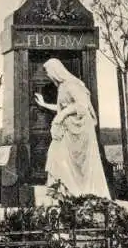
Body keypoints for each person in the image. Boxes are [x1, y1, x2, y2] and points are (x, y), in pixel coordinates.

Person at [34, 58, 111, 199]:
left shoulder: (73, 84)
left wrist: (61, 116)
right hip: (69, 128)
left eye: (50, 73)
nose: (49, 77)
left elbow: (81, 106)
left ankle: (81, 194)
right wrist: (45, 105)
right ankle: (68, 193)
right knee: (56, 154)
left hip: (80, 129)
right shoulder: (62, 87)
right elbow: (61, 108)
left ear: (56, 71)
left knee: (77, 163)